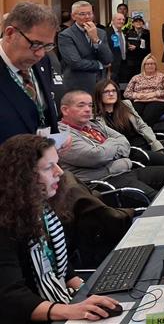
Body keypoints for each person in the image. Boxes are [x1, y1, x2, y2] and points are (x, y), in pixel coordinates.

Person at [0, 135, 122, 322]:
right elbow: (10, 297)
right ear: (23, 177)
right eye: (49, 167)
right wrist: (70, 311)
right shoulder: (5, 225)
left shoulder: (42, 209)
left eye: (58, 164)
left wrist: (85, 291)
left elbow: (60, 265)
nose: (60, 172)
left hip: (58, 300)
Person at [57, 90, 164, 201]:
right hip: (103, 182)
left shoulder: (93, 125)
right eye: (81, 105)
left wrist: (106, 151)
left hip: (125, 170)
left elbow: (124, 141)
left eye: (90, 105)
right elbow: (96, 156)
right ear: (65, 110)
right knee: (160, 199)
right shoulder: (60, 135)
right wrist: (111, 143)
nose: (88, 109)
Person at [0, 1, 61, 143]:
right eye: (35, 44)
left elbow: (45, 111)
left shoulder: (42, 62)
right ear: (10, 34)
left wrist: (56, 139)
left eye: (48, 46)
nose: (40, 53)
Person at [94, 79, 164, 166]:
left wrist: (155, 144)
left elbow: (142, 126)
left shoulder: (126, 105)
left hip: (146, 141)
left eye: (114, 91)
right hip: (131, 150)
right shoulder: (97, 118)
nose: (111, 94)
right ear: (99, 95)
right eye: (106, 92)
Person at [58, 1, 113, 94]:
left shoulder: (101, 32)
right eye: (82, 14)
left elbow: (108, 59)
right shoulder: (66, 35)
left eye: (89, 13)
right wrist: (99, 65)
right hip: (78, 85)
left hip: (100, 84)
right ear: (73, 16)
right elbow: (75, 62)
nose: (87, 17)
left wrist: (96, 39)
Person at [122, 54, 164, 127]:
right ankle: (137, 136)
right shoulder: (136, 78)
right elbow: (126, 93)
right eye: (147, 64)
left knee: (147, 116)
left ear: (155, 65)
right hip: (139, 101)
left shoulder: (162, 77)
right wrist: (137, 95)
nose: (150, 66)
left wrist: (154, 94)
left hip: (157, 101)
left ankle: (146, 135)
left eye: (152, 64)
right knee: (133, 116)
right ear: (144, 65)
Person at [107, 12, 129, 83]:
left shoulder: (124, 33)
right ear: (113, 21)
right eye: (119, 19)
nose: (122, 21)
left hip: (124, 64)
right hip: (112, 66)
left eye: (123, 19)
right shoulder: (107, 32)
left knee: (123, 87)